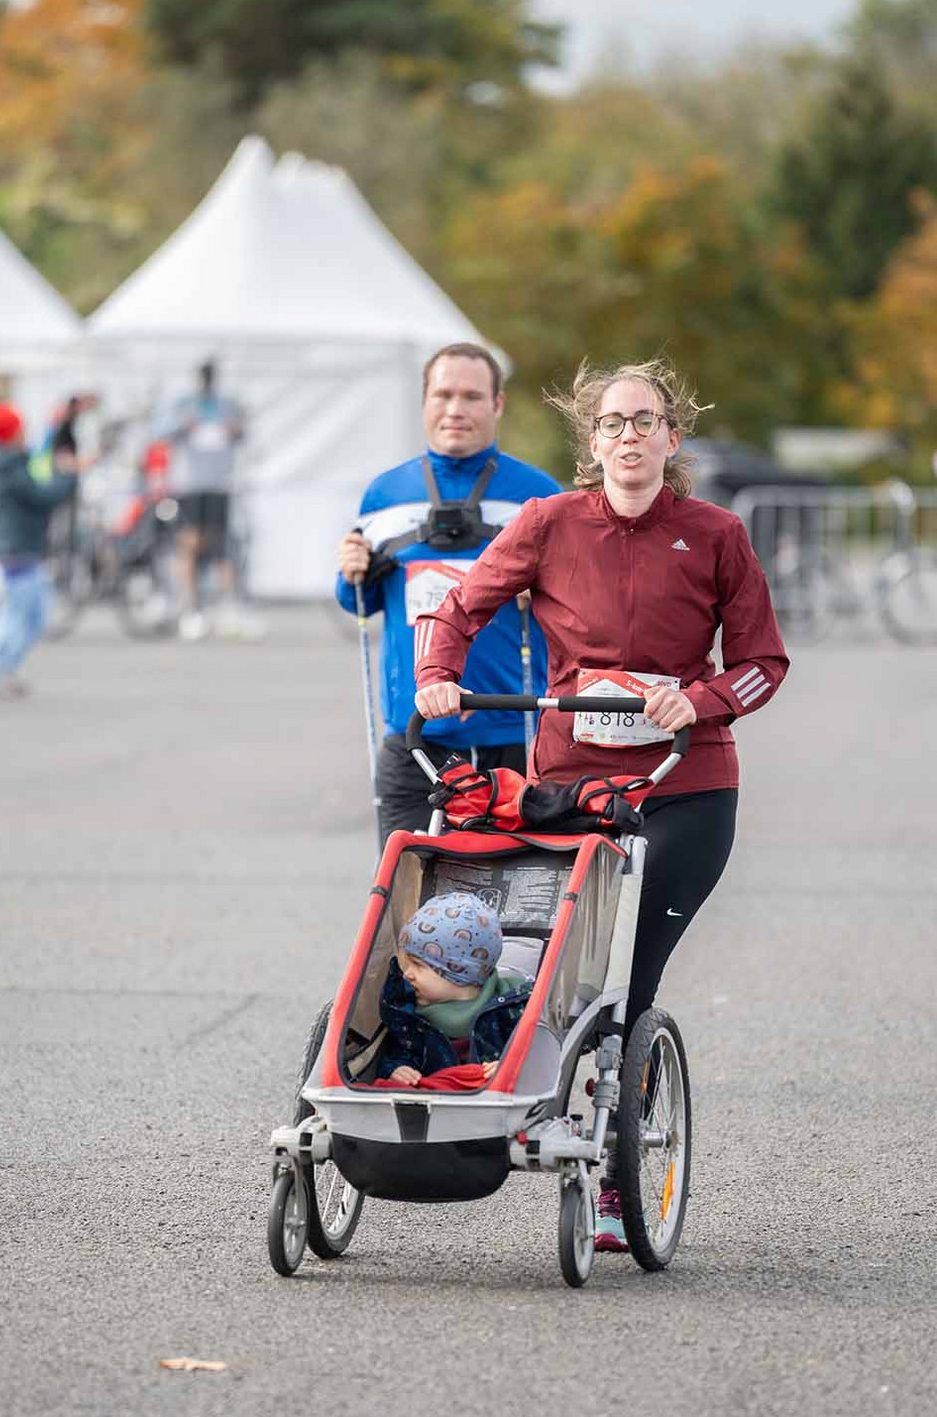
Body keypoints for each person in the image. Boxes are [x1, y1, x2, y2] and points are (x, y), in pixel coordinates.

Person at [413, 355, 788, 1250]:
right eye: (614, 422)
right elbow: (459, 610)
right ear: (593, 440)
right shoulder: (548, 524)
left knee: (627, 982)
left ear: (672, 436)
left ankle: (620, 1174)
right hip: (571, 786)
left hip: (683, 788)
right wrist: (437, 676)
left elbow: (763, 663)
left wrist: (698, 701)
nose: (629, 435)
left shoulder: (718, 533)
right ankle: (497, 1100)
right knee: (546, 968)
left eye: (645, 420)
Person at [336, 343, 560, 846]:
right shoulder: (385, 494)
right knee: (407, 901)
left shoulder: (540, 494)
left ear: (497, 404)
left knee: (517, 900)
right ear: (424, 402)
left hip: (516, 732)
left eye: (472, 396)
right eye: (443, 394)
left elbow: (577, 609)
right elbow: (358, 602)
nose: (455, 409)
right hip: (417, 734)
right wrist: (350, 570)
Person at [0, 402, 84, 697]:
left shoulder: (12, 460)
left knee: (26, 614)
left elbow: (44, 451)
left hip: (22, 547)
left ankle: (2, 669)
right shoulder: (9, 464)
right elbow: (41, 496)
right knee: (19, 615)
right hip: (17, 549)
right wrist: (67, 474)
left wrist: (60, 422)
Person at [375, 892, 530, 1086]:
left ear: (458, 973)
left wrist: (513, 1066)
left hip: (491, 1104)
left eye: (418, 965)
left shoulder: (511, 1011)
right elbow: (400, 1052)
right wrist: (395, 1069)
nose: (407, 974)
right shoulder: (407, 1012)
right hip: (432, 1107)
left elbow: (539, 1059)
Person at [159, 361, 245, 640]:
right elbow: (164, 433)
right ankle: (191, 606)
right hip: (192, 483)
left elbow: (242, 433)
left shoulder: (227, 404)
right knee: (191, 542)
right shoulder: (185, 404)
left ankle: (224, 607)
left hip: (220, 482)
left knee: (220, 544)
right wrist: (185, 425)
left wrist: (234, 430)